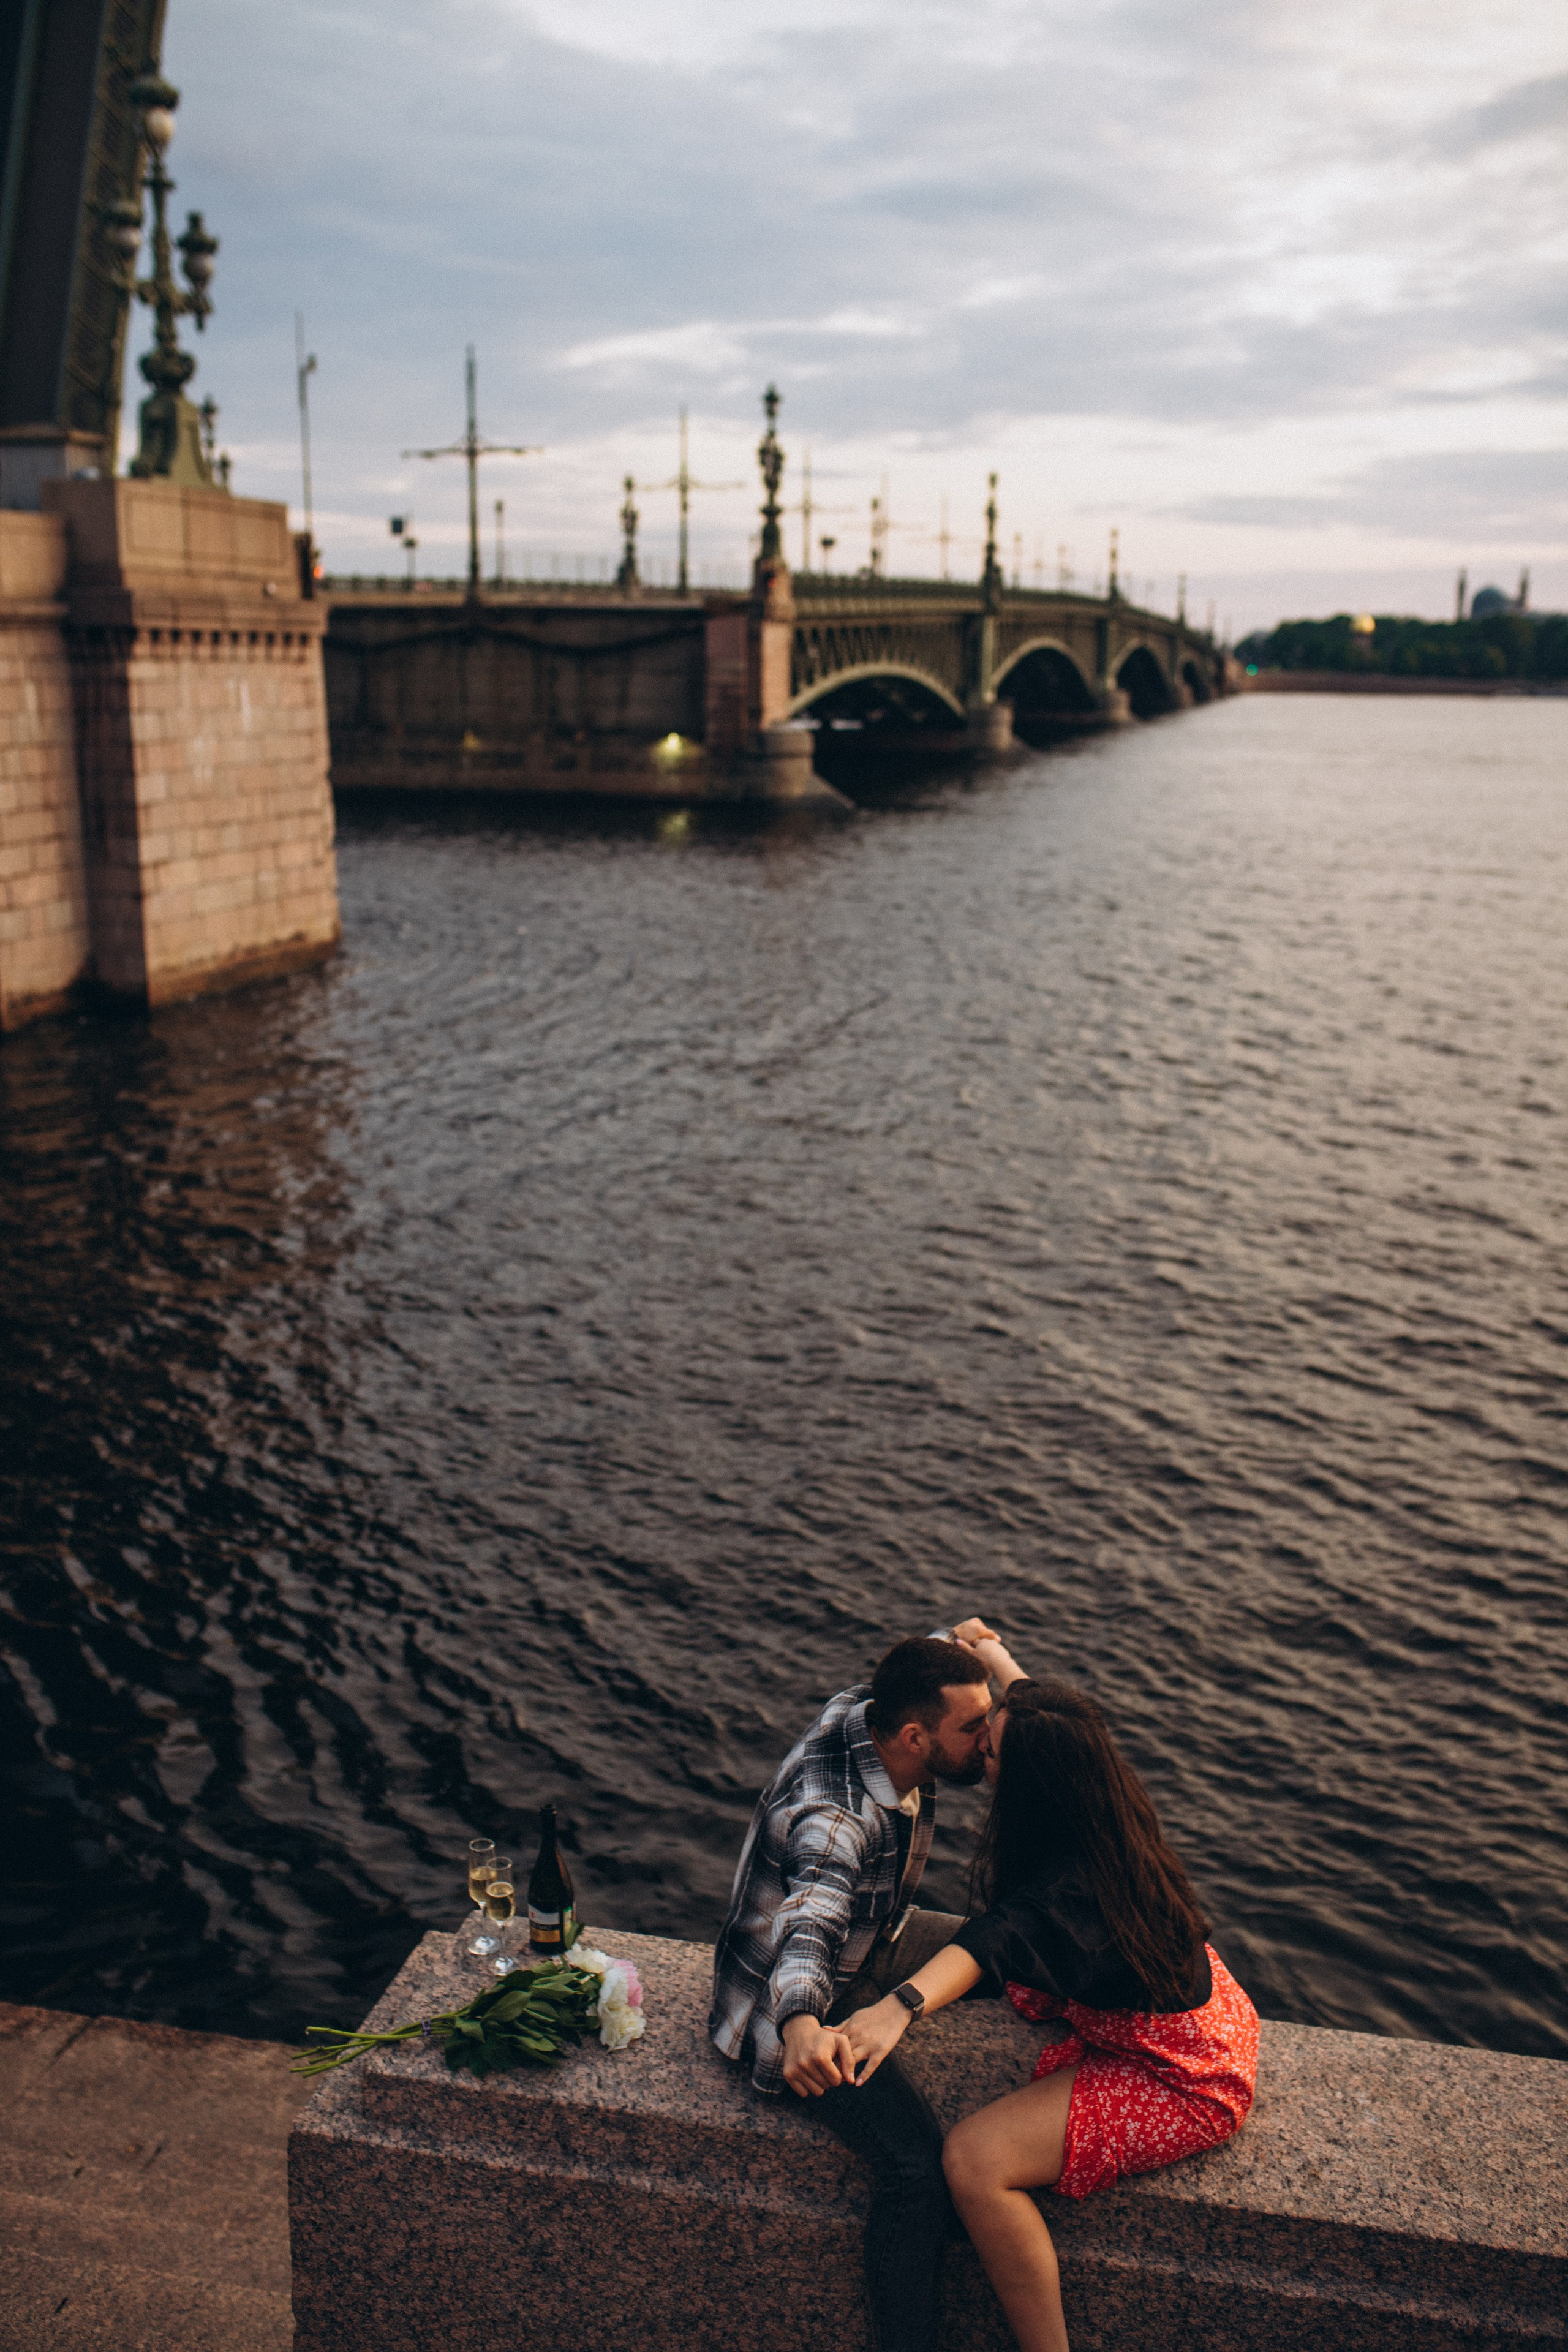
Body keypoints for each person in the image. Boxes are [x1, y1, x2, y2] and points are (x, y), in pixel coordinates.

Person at [844, 1627, 1259, 2352]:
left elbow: (990, 1942)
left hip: (1183, 2074)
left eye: (991, 1745)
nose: (981, 1749)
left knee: (975, 2161)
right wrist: (991, 1649)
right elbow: (1042, 1710)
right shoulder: (1094, 1794)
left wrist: (896, 2008)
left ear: (1027, 1779)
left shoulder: (1067, 1895)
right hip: (1207, 2010)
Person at [709, 1624, 997, 2352]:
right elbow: (811, 1918)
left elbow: (922, 1660)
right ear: (913, 1737)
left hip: (872, 1942)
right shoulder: (838, 1821)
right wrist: (802, 2022)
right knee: (918, 2170)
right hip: (788, 2005)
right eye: (974, 1728)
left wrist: (969, 1643)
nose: (988, 1739)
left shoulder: (862, 1708)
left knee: (1000, 1943)